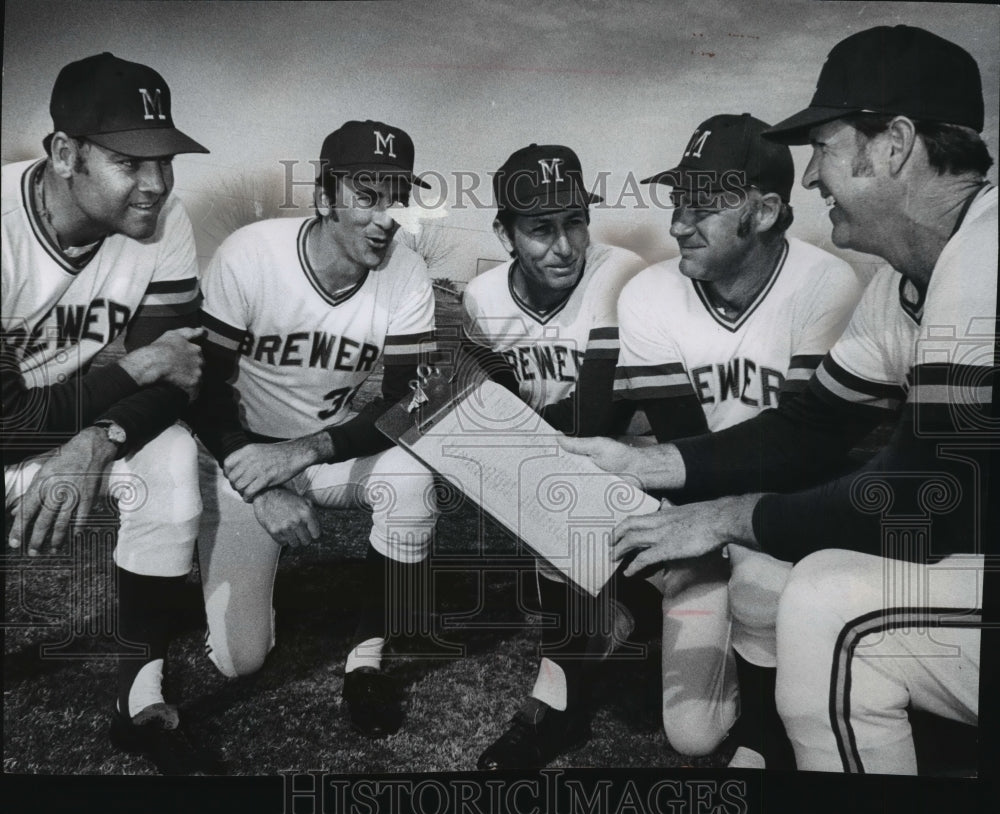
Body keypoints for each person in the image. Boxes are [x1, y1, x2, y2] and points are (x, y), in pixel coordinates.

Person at [560, 25, 993, 775]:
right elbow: (811, 429)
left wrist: (729, 518)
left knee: (832, 609)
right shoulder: (905, 279)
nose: (814, 176)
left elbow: (931, 492)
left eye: (823, 146)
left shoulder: (986, 254)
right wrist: (649, 465)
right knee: (822, 592)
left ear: (891, 144)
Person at [615, 113, 863, 768]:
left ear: (765, 209)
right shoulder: (649, 293)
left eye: (703, 205)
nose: (676, 225)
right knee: (691, 735)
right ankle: (750, 653)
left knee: (761, 585)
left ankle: (770, 717)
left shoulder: (826, 283)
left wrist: (738, 533)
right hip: (697, 507)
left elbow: (815, 450)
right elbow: (684, 447)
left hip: (788, 513)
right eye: (677, 201)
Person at [1, 52, 220, 774]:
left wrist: (99, 438)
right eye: (131, 161)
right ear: (65, 154)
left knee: (170, 463)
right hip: (17, 423)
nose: (156, 184)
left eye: (166, 160)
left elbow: (179, 375)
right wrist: (129, 370)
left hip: (63, 421)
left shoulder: (165, 220)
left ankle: (141, 697)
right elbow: (8, 423)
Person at [191, 120, 439, 740]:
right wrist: (260, 481)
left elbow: (408, 401)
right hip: (238, 456)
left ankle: (366, 655)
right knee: (239, 661)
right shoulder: (253, 252)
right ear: (325, 196)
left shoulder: (406, 271)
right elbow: (200, 390)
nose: (386, 217)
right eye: (367, 195)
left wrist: (306, 453)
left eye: (397, 197)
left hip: (319, 451)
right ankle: (197, 565)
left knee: (413, 476)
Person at [462, 143, 647, 770]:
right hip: (558, 462)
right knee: (551, 494)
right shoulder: (483, 296)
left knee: (687, 727)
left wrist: (517, 444)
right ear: (505, 233)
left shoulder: (618, 270)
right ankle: (564, 691)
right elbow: (494, 406)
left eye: (575, 221)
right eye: (540, 228)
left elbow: (597, 417)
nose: (564, 246)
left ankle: (604, 636)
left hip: (644, 461)